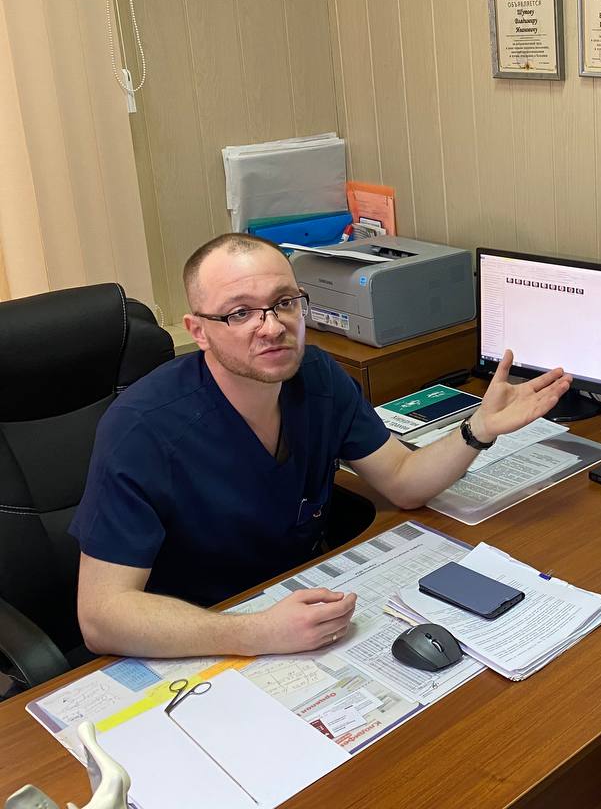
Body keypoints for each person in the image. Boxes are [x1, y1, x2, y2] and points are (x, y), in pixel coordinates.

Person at [72, 233, 570, 660]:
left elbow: (402, 480)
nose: (272, 327)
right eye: (240, 313)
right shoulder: (142, 428)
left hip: (307, 613)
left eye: (285, 302)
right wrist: (257, 633)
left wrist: (478, 429)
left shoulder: (317, 377)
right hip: (200, 639)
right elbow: (100, 618)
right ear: (198, 331)